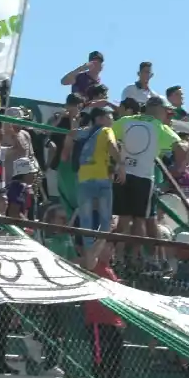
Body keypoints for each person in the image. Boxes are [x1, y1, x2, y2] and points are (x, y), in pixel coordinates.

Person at [111, 97, 181, 258]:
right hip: (143, 178)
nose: (167, 116)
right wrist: (178, 165)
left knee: (123, 219)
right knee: (139, 220)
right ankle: (134, 259)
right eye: (167, 112)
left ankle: (118, 257)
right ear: (160, 110)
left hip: (123, 173)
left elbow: (108, 136)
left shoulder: (126, 121)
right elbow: (180, 147)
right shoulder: (159, 127)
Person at [63, 105, 121, 268]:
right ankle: (89, 262)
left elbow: (67, 150)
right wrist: (121, 163)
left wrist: (73, 125)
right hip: (100, 179)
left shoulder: (82, 133)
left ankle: (87, 262)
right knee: (107, 223)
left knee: (87, 225)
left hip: (83, 178)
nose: (112, 120)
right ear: (100, 118)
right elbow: (112, 146)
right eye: (110, 116)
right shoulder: (105, 131)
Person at [84, 251, 126, 378]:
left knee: (115, 369)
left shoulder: (110, 270)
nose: (109, 249)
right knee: (100, 366)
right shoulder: (94, 267)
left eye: (111, 246)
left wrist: (121, 319)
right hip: (98, 323)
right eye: (106, 245)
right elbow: (89, 258)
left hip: (113, 324)